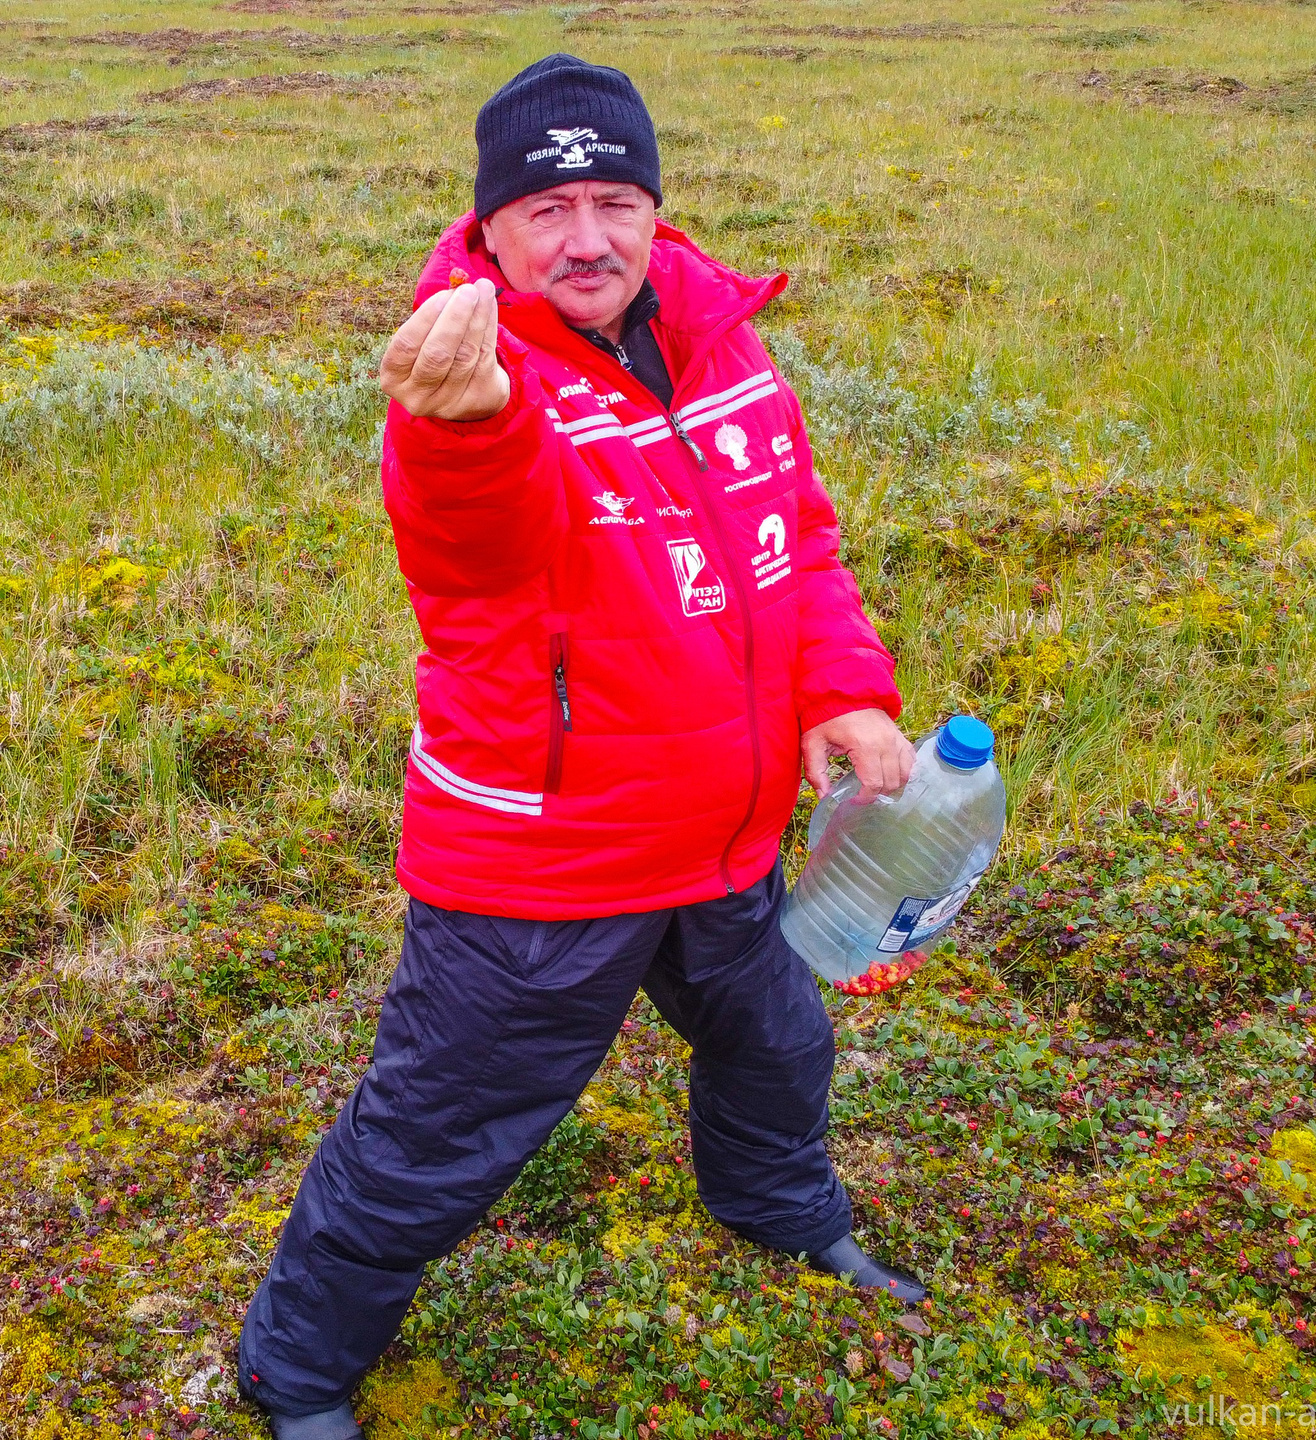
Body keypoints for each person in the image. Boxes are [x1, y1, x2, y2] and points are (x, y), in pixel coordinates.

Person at [237, 54, 926, 1440]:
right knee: (440, 1136)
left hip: (723, 838)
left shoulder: (725, 341)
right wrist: (470, 430)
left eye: (615, 199)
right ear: (487, 228)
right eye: (547, 212)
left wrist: (840, 691)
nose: (587, 239)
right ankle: (297, 1370)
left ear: (657, 210)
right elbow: (476, 541)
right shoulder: (471, 380)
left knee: (779, 1045)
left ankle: (778, 1214)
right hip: (543, 856)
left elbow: (800, 543)